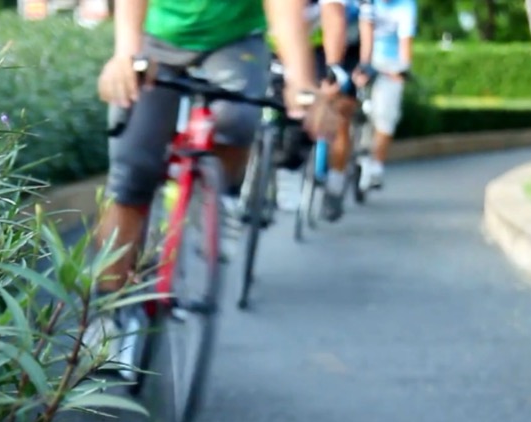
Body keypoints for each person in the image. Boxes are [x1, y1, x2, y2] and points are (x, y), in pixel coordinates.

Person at [84, 0, 340, 375]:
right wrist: (127, 53)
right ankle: (105, 316)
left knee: (238, 119)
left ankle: (218, 197)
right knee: (131, 176)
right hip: (157, 38)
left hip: (233, 43)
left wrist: (301, 84)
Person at [273, 0, 375, 222]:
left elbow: (344, 22)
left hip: (347, 47)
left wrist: (336, 70)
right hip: (306, 37)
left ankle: (335, 185)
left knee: (340, 114)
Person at [356, 0, 416, 191]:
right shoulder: (367, 4)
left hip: (390, 66)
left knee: (385, 117)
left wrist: (402, 69)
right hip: (366, 62)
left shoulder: (406, 6)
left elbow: (405, 42)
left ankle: (376, 166)